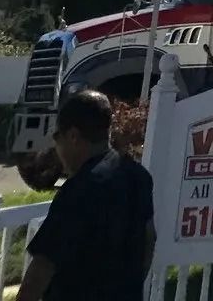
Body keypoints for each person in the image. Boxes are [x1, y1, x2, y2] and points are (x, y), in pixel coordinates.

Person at [16, 89, 155, 301]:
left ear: (72, 136)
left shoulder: (79, 190)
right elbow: (149, 240)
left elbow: (40, 271)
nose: (57, 148)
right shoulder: (138, 177)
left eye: (57, 137)